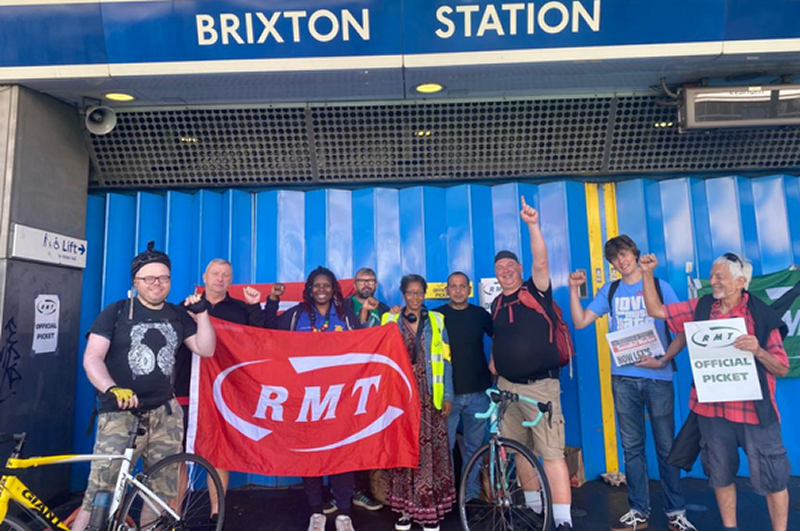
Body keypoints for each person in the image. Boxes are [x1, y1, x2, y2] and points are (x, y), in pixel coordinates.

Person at [640, 252, 790, 531]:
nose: (712, 282)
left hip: (754, 411)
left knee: (773, 478)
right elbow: (657, 311)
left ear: (740, 281)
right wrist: (647, 274)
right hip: (711, 411)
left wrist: (757, 349)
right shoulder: (702, 306)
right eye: (711, 276)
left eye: (719, 276)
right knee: (720, 476)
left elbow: (782, 368)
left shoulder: (761, 315)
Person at [72, 242, 216, 531]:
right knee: (103, 485)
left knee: (161, 491)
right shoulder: (116, 312)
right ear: (135, 282)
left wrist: (202, 315)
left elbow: (206, 348)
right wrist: (111, 388)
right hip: (120, 413)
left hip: (166, 414)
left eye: (163, 278)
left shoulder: (176, 315)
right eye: (148, 278)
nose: (156, 284)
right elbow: (92, 358)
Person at [568, 236, 696, 531]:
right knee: (632, 448)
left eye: (624, 254)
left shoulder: (660, 286)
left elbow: (682, 328)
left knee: (667, 447)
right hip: (623, 379)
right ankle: (638, 510)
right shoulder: (611, 290)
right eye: (615, 258)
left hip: (658, 377)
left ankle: (676, 511)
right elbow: (581, 320)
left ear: (635, 254)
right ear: (611, 264)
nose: (621, 261)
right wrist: (574, 290)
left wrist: (664, 359)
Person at [265, 266, 371, 531]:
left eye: (326, 285)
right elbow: (267, 334)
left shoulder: (345, 315)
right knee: (310, 455)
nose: (321, 290)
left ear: (334, 289)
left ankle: (344, 512)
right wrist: (273, 301)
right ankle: (316, 511)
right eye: (317, 286)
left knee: (341, 454)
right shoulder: (296, 315)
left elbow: (365, 345)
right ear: (309, 290)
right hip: (306, 400)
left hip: (339, 399)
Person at [488, 196, 573, 531]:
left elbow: (541, 261)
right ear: (495, 274)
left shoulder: (535, 291)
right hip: (507, 388)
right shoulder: (496, 303)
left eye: (511, 267)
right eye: (500, 268)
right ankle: (535, 506)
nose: (506, 271)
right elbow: (499, 336)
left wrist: (533, 226)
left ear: (519, 271)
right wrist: (496, 360)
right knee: (518, 449)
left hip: (541, 387)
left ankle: (563, 518)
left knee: (551, 452)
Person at [173, 258, 268, 522]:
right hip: (186, 388)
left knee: (219, 452)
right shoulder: (184, 307)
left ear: (231, 279)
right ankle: (175, 513)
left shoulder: (240, 309)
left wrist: (255, 306)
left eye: (226, 274)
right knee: (180, 453)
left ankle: (218, 513)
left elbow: (261, 338)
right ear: (204, 276)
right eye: (215, 273)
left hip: (224, 391)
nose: (220, 278)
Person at [382, 274, 455, 531]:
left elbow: (445, 360)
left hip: (429, 398)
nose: (415, 297)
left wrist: (448, 395)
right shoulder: (389, 320)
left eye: (419, 293)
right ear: (403, 294)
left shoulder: (436, 321)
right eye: (410, 293)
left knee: (430, 453)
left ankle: (428, 510)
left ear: (424, 295)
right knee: (403, 451)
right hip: (400, 398)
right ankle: (405, 510)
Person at [322, 266, 389, 513]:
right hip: (342, 380)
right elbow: (349, 339)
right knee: (337, 436)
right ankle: (334, 494)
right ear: (355, 283)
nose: (367, 284)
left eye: (371, 280)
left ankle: (359, 491)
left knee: (362, 437)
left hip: (371, 382)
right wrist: (362, 314)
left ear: (376, 283)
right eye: (362, 280)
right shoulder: (341, 306)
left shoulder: (383, 310)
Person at [433, 271, 493, 503]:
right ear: (447, 290)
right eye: (453, 286)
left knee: (474, 449)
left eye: (462, 286)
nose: (457, 291)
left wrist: (495, 360)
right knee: (443, 450)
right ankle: (445, 495)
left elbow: (502, 335)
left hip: (478, 393)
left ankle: (470, 496)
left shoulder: (480, 315)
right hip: (448, 397)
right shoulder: (437, 316)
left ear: (468, 290)